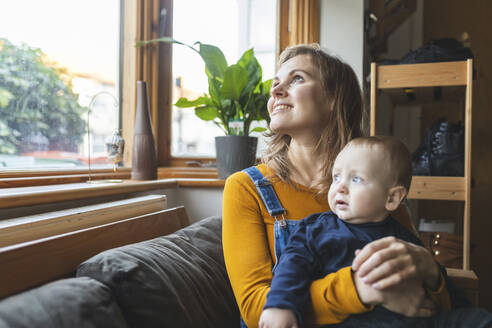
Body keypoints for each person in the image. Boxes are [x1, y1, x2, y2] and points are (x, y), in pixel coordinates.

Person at [222, 44, 490, 328]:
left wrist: (429, 270)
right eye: (275, 84)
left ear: (334, 99)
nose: (275, 91)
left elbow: (429, 301)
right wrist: (363, 291)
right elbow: (255, 310)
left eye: (297, 78)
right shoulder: (245, 188)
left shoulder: (378, 186)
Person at [258, 136, 467, 328]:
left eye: (356, 179)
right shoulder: (315, 229)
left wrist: (433, 277)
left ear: (392, 198)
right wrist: (279, 306)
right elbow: (291, 268)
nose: (340, 187)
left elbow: (434, 285)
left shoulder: (402, 238)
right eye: (336, 177)